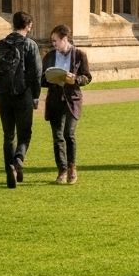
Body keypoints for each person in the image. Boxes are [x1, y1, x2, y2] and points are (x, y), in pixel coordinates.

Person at [0, 11, 42, 188]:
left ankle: (11, 169)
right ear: (29, 26)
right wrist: (36, 96)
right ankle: (18, 159)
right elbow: (37, 74)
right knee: (25, 133)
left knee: (8, 135)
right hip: (23, 94)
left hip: (3, 95)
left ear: (12, 24)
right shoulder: (30, 45)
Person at [41, 25, 91, 185]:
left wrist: (75, 79)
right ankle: (61, 170)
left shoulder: (79, 55)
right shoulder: (49, 56)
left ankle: (72, 168)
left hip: (72, 99)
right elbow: (41, 79)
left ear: (64, 39)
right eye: (52, 41)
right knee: (57, 137)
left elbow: (87, 77)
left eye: (55, 41)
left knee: (69, 134)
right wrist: (48, 78)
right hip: (55, 99)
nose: (53, 44)